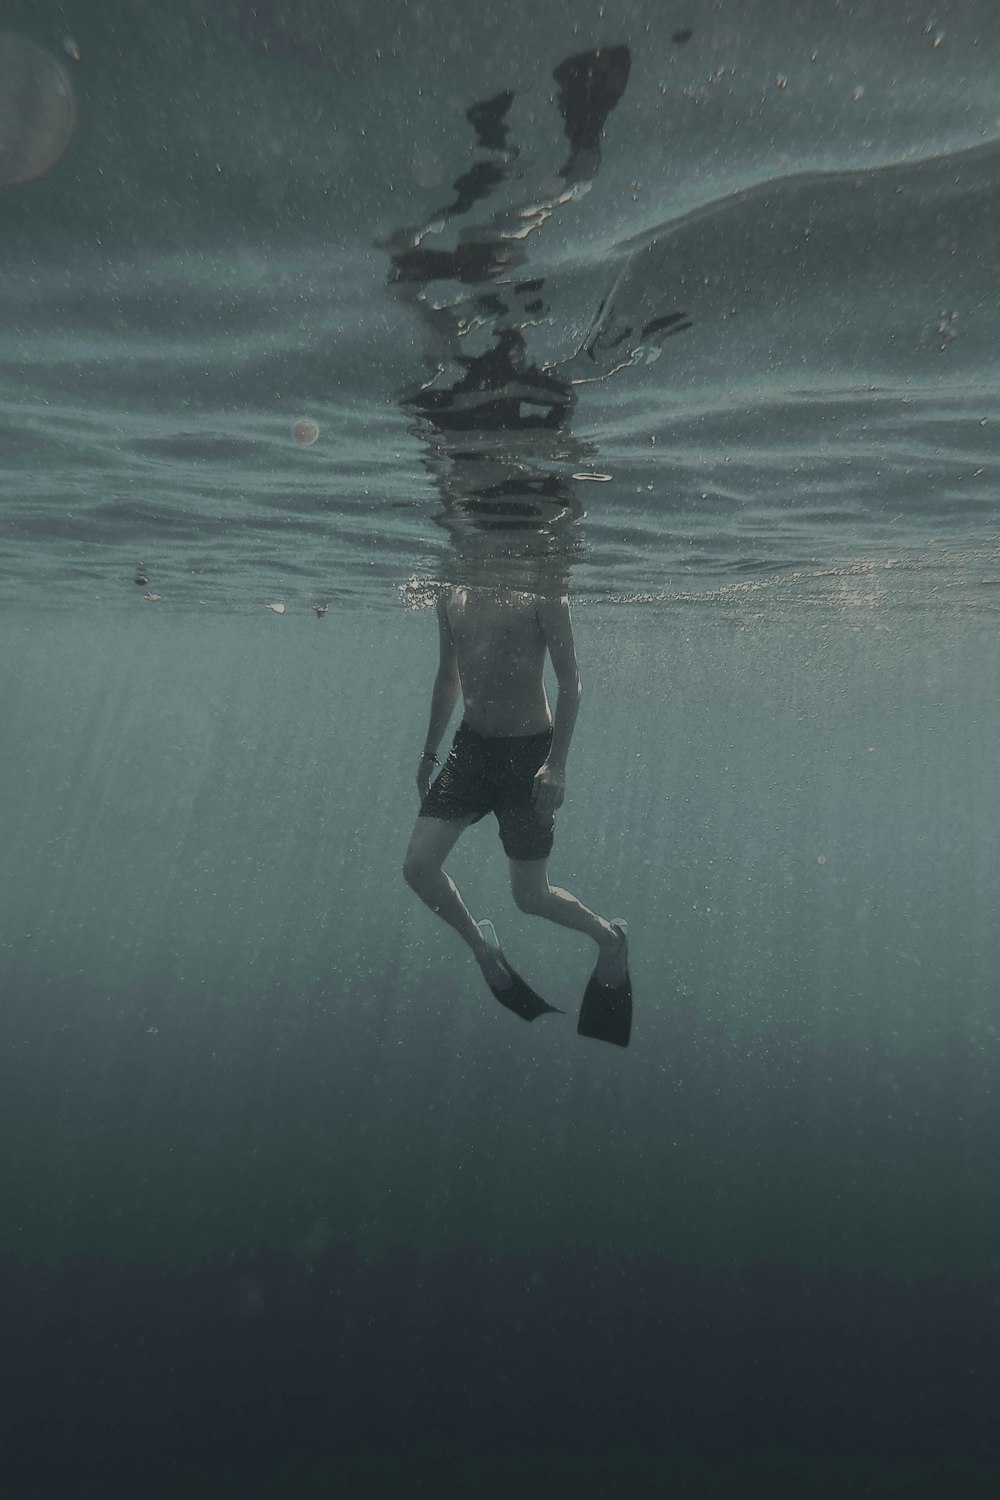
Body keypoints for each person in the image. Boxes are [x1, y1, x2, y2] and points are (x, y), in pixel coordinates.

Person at [402, 584, 631, 1045]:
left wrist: (557, 764)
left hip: (529, 757)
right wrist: (430, 753)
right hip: (469, 751)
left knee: (530, 897)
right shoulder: (451, 590)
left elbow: (570, 681)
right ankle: (482, 947)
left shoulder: (542, 587)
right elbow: (449, 675)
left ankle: (609, 939)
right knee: (418, 868)